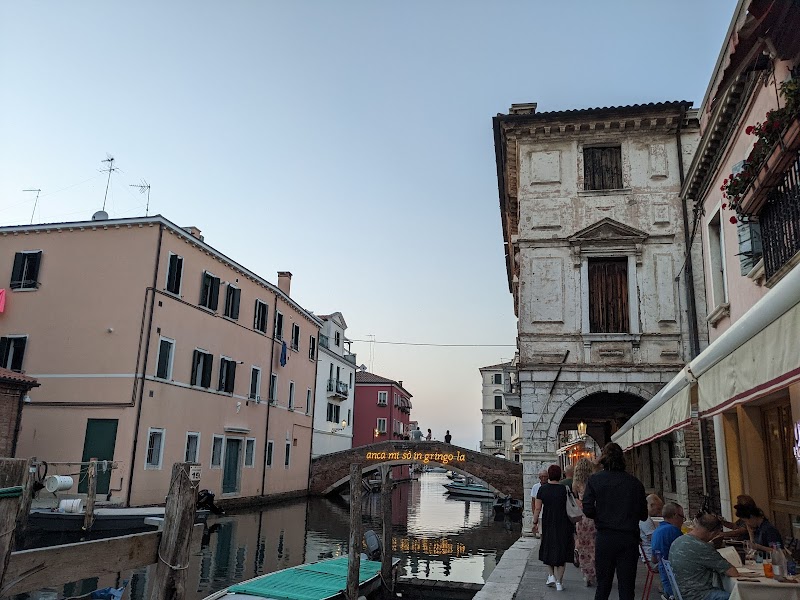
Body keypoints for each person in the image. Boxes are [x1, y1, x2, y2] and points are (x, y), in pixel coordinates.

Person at [582, 443, 647, 600]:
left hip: (605, 537)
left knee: (603, 586)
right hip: (628, 539)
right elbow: (644, 515)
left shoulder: (595, 480)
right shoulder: (635, 483)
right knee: (627, 587)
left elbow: (588, 509)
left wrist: (602, 516)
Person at [669, 513, 738, 600]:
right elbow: (732, 572)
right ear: (713, 533)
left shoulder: (678, 540)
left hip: (680, 593)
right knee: (739, 597)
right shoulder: (703, 547)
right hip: (697, 595)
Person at [533, 464, 575, 592]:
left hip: (548, 522)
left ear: (549, 475)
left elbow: (538, 508)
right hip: (564, 523)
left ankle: (551, 575)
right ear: (560, 475)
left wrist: (534, 522)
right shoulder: (565, 489)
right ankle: (559, 582)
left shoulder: (543, 489)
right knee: (562, 550)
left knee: (548, 548)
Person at [572, 457, 598, 587]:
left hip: (581, 518)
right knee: (594, 545)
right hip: (593, 516)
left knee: (583, 546)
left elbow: (576, 500)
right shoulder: (594, 481)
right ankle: (595, 571)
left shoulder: (576, 484)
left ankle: (587, 574)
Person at [651, 502, 685, 599]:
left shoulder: (657, 531)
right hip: (677, 585)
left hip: (666, 582)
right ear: (675, 515)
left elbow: (654, 560)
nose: (682, 521)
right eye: (682, 517)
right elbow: (686, 554)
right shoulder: (673, 531)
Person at [640, 494, 664, 561]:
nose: (659, 512)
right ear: (651, 506)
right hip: (651, 558)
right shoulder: (645, 520)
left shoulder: (647, 518)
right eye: (658, 509)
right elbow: (654, 538)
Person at [530, 469, 548, 536]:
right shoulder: (535, 487)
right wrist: (534, 514)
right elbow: (533, 502)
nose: (543, 478)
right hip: (539, 513)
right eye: (542, 476)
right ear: (539, 477)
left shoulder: (549, 486)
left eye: (545, 476)